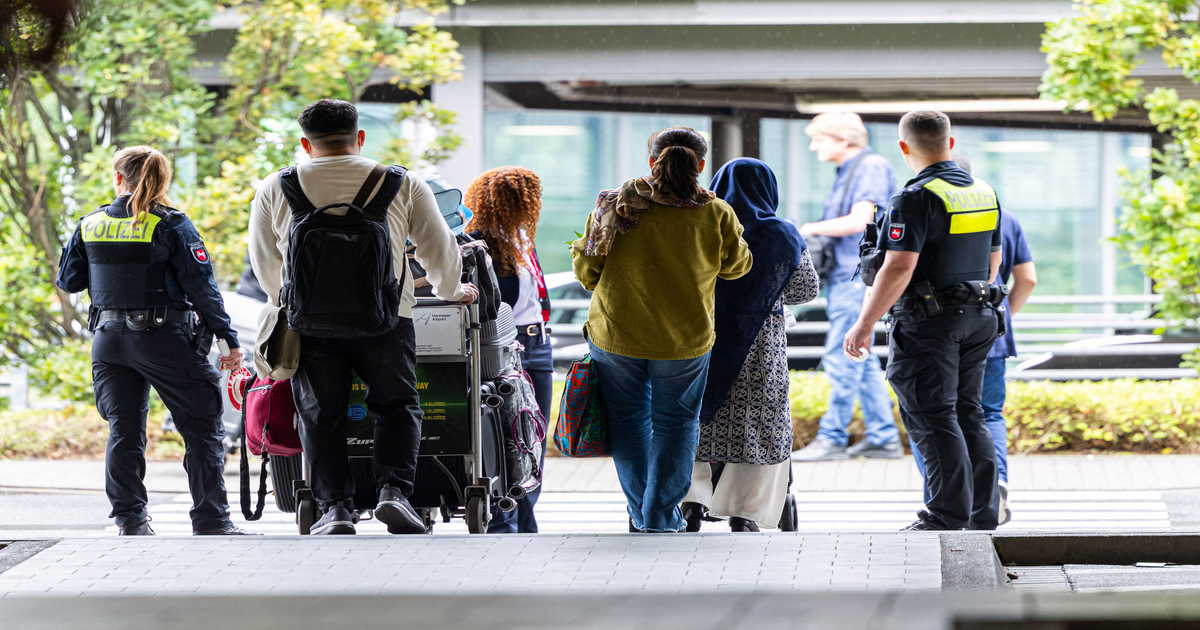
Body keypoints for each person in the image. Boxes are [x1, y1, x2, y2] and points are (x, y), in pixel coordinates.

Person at [249, 99, 478, 536]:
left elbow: (265, 263)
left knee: (320, 414)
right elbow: (438, 249)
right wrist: (453, 290)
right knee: (396, 406)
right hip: (387, 320)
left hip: (311, 325)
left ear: (305, 143)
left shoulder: (275, 186)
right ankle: (395, 493)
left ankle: (335, 508)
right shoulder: (402, 182)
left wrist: (290, 300)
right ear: (359, 138)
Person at [56, 146, 255, 536]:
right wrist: (227, 341)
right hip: (164, 339)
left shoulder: (90, 223)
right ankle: (211, 519)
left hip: (109, 341)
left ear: (117, 178)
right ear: (164, 181)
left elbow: (70, 282)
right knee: (201, 428)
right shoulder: (172, 225)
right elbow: (203, 290)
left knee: (124, 430)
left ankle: (130, 520)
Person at [572, 127, 753, 533]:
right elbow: (738, 266)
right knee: (677, 423)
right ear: (700, 165)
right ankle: (659, 515)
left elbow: (588, 272)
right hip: (684, 339)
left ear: (652, 161)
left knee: (628, 421)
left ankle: (642, 513)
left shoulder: (613, 206)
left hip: (617, 333)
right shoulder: (716, 212)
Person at [843, 110, 1003, 531]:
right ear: (950, 143)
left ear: (903, 148)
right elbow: (993, 261)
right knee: (969, 412)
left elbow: (898, 268)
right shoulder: (984, 192)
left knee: (933, 415)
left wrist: (863, 324)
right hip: (980, 315)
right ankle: (980, 513)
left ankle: (944, 515)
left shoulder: (914, 198)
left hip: (930, 322)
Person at [681, 158, 820, 532]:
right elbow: (805, 289)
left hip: (698, 337)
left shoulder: (700, 224)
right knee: (759, 424)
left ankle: (690, 503)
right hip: (759, 345)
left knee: (693, 420)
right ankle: (745, 512)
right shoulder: (781, 232)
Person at [910, 154, 1037, 526]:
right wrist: (1004, 316)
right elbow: (1026, 278)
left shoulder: (930, 206)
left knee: (940, 413)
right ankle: (995, 485)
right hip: (990, 329)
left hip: (943, 326)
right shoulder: (1002, 214)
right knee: (985, 413)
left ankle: (948, 493)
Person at [793, 112, 902, 461]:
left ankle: (833, 438)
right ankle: (884, 438)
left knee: (842, 357)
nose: (813, 146)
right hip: (848, 278)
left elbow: (861, 220)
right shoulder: (856, 168)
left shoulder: (869, 167)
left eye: (819, 139)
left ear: (843, 139)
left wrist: (809, 228)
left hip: (853, 279)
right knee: (862, 359)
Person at [464, 166, 553, 533]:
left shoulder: (520, 239)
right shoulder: (478, 242)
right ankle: (506, 521)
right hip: (502, 347)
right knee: (506, 435)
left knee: (533, 434)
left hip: (537, 344)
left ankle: (525, 521)